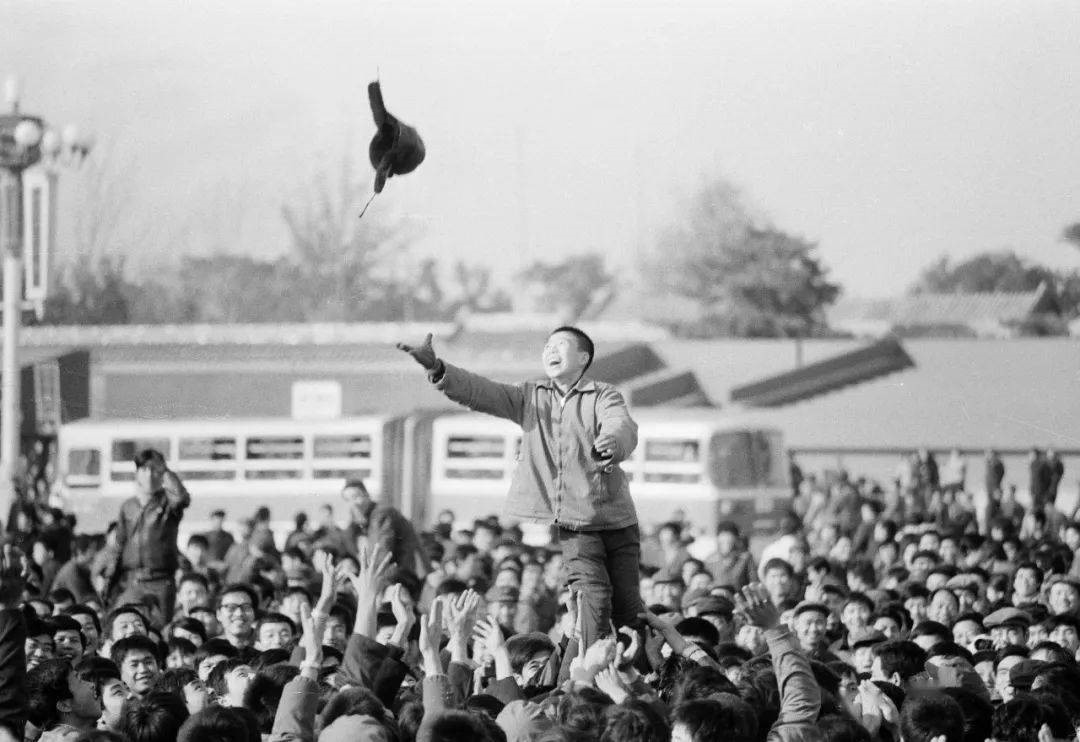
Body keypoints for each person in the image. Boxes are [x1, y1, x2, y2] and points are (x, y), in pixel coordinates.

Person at [399, 328, 641, 650]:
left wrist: (612, 442)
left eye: (561, 345)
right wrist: (437, 369)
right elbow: (480, 391)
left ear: (583, 358)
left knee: (628, 608)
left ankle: (636, 670)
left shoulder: (603, 395)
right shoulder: (530, 395)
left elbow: (621, 424)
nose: (551, 350)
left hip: (619, 520)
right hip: (578, 524)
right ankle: (581, 678)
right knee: (592, 598)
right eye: (548, 346)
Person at [104, 450, 190, 617]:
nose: (149, 475)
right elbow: (119, 545)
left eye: (154, 469)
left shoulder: (168, 504)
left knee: (161, 629)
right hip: (133, 580)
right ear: (137, 473)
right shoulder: (128, 506)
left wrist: (165, 471)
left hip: (161, 581)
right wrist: (110, 581)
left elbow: (181, 498)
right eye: (144, 469)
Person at [342, 479, 427, 577]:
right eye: (348, 500)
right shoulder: (359, 519)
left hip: (407, 571)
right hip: (396, 570)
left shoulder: (382, 513)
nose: (354, 503)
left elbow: (381, 550)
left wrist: (368, 576)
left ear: (367, 495)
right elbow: (346, 541)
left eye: (356, 497)